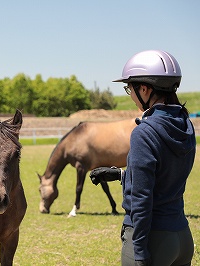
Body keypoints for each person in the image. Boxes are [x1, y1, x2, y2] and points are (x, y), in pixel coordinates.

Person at [90, 50, 196, 266]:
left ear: (145, 89)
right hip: (182, 237)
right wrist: (122, 175)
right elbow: (167, 173)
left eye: (130, 88)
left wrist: (138, 250)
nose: (130, 94)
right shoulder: (185, 125)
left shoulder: (144, 132)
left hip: (153, 240)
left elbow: (142, 198)